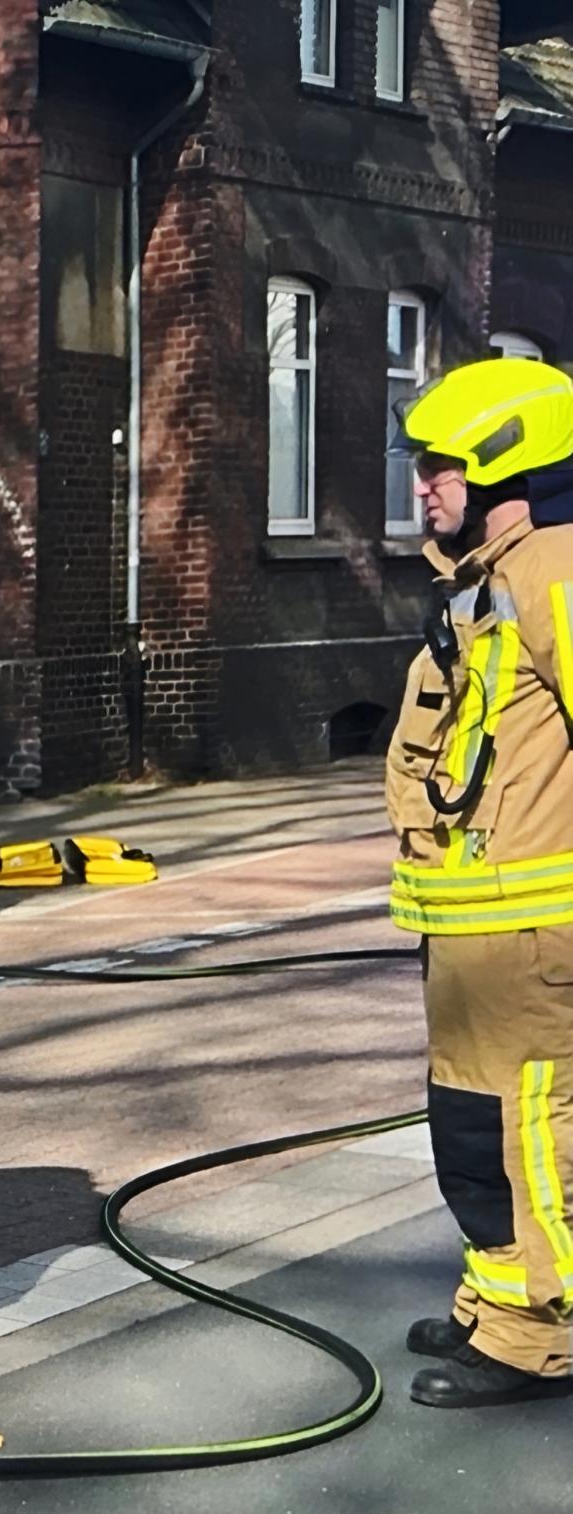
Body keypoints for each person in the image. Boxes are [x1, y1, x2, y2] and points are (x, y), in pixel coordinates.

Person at [385, 357, 573, 1408]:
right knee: (478, 1130)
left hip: (532, 936)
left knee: (519, 1137)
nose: (423, 487)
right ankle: (493, 1298)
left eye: (438, 468)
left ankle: (532, 1337)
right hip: (482, 933)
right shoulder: (494, 579)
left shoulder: (555, 569)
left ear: (506, 466)